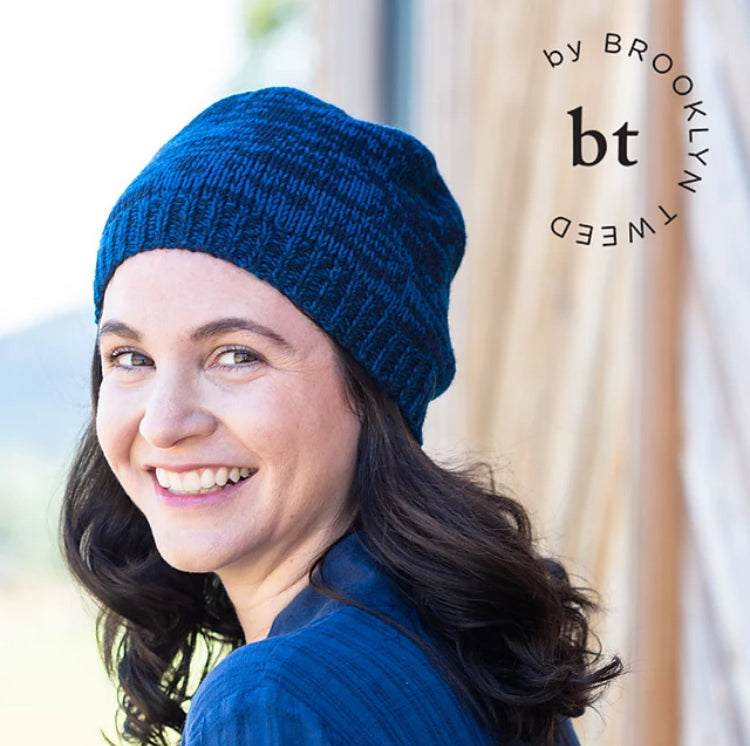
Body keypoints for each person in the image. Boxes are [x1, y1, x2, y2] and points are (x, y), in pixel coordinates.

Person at [61, 87, 622, 746]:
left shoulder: (270, 704)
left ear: (369, 386)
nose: (163, 422)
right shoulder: (450, 641)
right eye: (130, 357)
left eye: (236, 355)